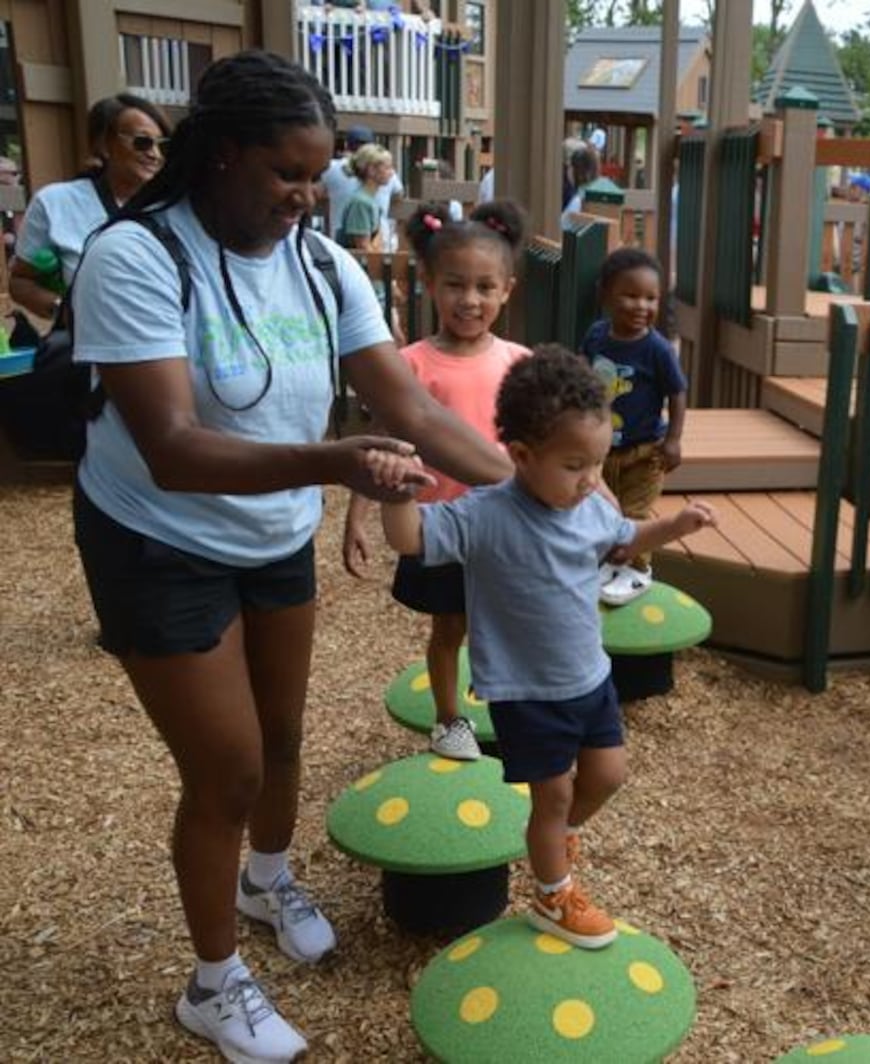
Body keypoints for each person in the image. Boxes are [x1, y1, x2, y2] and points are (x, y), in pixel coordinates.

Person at [68, 51, 510, 1062]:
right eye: (287, 173)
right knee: (225, 769)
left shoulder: (319, 260)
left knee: (282, 737)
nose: (309, 196)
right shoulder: (135, 257)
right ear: (220, 155)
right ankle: (213, 984)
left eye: (318, 175)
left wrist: (534, 487)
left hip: (269, 532)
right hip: (156, 538)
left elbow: (403, 403)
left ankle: (268, 880)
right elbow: (174, 449)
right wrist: (335, 461)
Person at [380, 349, 717, 948]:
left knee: (608, 776)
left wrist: (675, 526)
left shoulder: (588, 507)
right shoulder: (485, 516)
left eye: (597, 464)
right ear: (521, 456)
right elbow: (410, 539)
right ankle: (551, 897)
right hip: (527, 691)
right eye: (574, 466)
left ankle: (553, 837)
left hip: (589, 677)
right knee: (553, 792)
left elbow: (624, 539)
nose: (591, 480)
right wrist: (397, 491)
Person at [343, 199, 532, 761]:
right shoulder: (412, 364)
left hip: (507, 526)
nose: (469, 300)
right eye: (455, 285)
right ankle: (450, 720)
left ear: (507, 290)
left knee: (508, 625)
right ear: (428, 282)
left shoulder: (520, 363)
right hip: (437, 528)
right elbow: (379, 438)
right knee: (449, 627)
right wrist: (356, 515)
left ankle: (510, 706)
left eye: (484, 287)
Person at [580, 247, 686, 605]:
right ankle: (611, 563)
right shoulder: (597, 336)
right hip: (602, 448)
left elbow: (677, 392)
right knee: (605, 508)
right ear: (607, 295)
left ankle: (639, 569)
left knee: (636, 511)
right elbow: (582, 372)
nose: (642, 306)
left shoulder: (656, 349)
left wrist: (674, 438)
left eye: (651, 298)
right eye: (630, 295)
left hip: (644, 450)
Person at [8, 93, 171, 323]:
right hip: (92, 353)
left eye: (162, 145)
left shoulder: (174, 208)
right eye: (142, 142)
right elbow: (20, 282)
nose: (154, 154)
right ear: (103, 145)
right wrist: (66, 313)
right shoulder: (56, 202)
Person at [319, 124, 402, 236]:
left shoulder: (331, 168)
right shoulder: (381, 167)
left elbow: (318, 191)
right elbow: (398, 194)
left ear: (346, 145)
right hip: (375, 243)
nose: (390, 172)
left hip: (339, 243)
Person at [336, 142, 395, 251]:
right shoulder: (361, 203)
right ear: (371, 170)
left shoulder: (369, 201)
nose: (391, 173)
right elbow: (363, 249)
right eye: (387, 168)